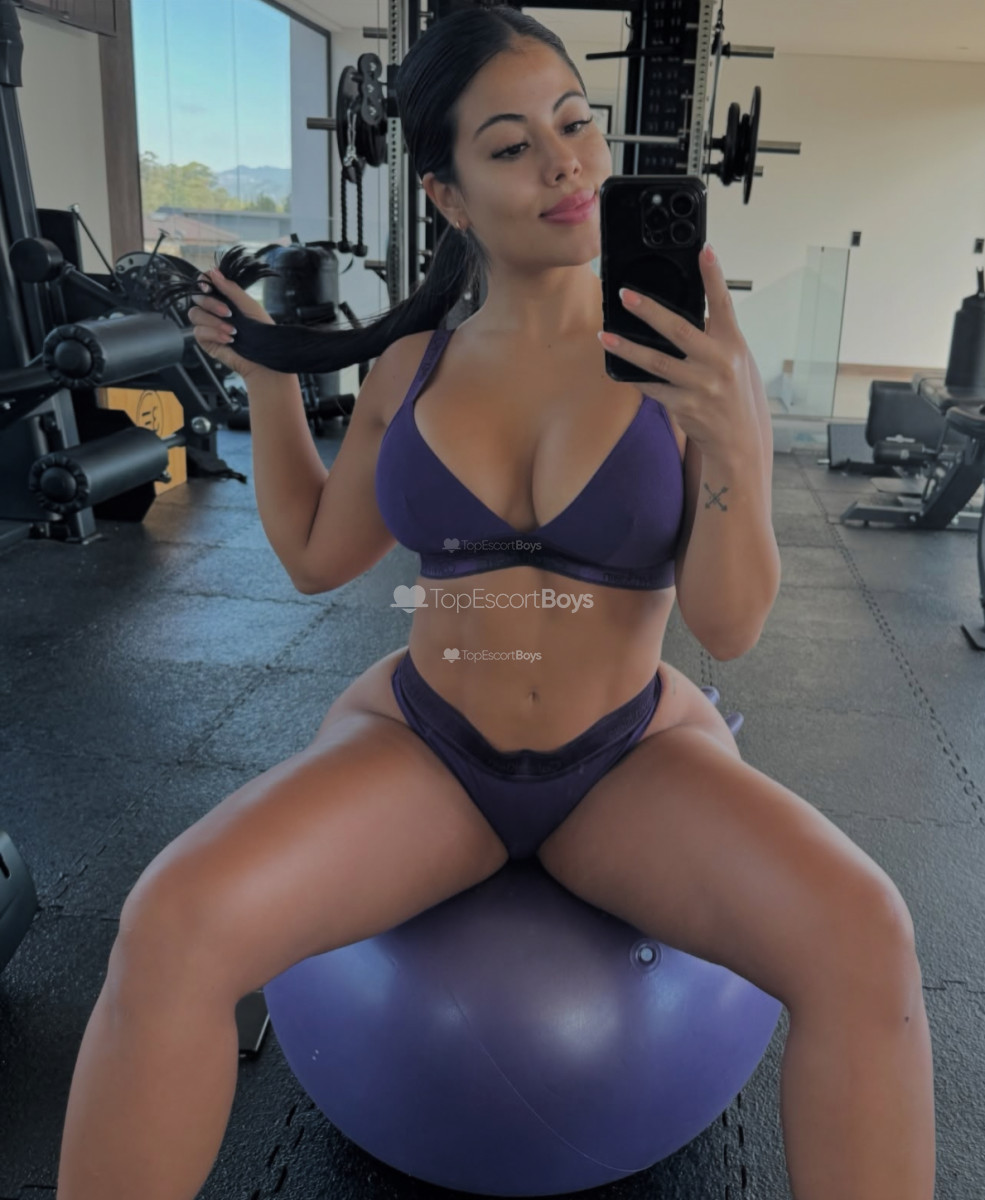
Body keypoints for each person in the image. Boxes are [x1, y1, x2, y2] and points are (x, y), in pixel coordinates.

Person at [55, 6, 935, 1199]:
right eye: (512, 146)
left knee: (866, 936)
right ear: (448, 196)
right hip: (431, 752)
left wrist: (734, 439)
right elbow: (316, 556)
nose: (563, 163)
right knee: (169, 923)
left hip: (623, 762)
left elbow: (729, 625)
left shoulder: (682, 366)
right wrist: (269, 382)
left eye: (575, 126)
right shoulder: (411, 369)